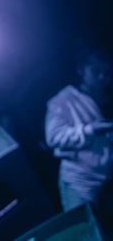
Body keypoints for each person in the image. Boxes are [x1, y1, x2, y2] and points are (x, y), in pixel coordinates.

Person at [44, 44, 113, 234]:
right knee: (86, 232)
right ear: (81, 70)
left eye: (107, 72)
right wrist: (90, 130)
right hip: (79, 181)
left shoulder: (108, 97)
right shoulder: (63, 100)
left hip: (107, 179)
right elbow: (54, 137)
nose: (102, 77)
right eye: (96, 71)